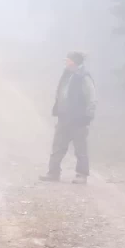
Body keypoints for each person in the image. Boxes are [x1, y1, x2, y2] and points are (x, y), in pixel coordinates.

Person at [40, 50, 96, 184]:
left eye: (68, 60)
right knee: (58, 146)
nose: (65, 62)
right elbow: (61, 93)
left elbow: (92, 98)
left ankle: (81, 175)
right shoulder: (67, 74)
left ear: (74, 62)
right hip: (64, 117)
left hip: (79, 120)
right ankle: (53, 173)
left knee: (80, 149)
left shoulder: (84, 77)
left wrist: (88, 116)